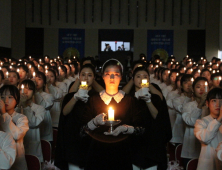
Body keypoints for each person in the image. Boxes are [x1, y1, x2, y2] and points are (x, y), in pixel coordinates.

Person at [82, 59, 144, 170]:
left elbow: (141, 129)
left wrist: (124, 129)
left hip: (122, 153)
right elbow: (82, 132)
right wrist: (94, 122)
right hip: (97, 153)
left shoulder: (129, 100)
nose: (111, 78)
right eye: (108, 74)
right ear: (102, 77)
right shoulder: (93, 100)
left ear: (121, 77)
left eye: (116, 74)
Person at [55, 64, 97, 170]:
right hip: (73, 143)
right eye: (83, 75)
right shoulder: (71, 96)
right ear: (79, 77)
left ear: (94, 78)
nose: (86, 78)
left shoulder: (98, 97)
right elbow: (65, 112)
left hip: (92, 142)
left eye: (89, 75)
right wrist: (76, 97)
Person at [129, 66, 169, 170]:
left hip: (151, 143)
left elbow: (157, 116)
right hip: (133, 143)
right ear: (133, 79)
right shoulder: (129, 98)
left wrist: (148, 101)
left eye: (145, 77)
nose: (142, 79)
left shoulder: (155, 97)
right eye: (138, 76)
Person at [181, 77, 209, 168]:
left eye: (204, 87)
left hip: (207, 149)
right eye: (198, 87)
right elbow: (191, 121)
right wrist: (200, 105)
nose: (201, 89)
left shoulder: (212, 106)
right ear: (193, 89)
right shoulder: (187, 106)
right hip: (191, 149)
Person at [0, 85, 29, 170]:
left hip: (17, 162)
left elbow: (16, 135)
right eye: (2, 97)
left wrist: (4, 114)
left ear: (17, 100)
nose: (5, 100)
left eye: (10, 97)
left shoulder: (21, 118)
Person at [16, 79, 45, 162]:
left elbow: (34, 123)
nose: (25, 91)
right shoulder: (15, 107)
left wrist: (25, 106)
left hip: (32, 147)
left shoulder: (39, 108)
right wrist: (20, 105)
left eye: (29, 89)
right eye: (23, 88)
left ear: (34, 91)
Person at [194, 88, 222, 170]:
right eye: (214, 101)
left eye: (221, 100)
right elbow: (205, 139)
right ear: (207, 103)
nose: (218, 104)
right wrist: (219, 118)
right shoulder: (201, 122)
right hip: (208, 165)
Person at [171, 74, 193, 144]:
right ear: (181, 86)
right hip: (180, 131)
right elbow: (182, 109)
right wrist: (189, 97)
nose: (189, 85)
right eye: (186, 83)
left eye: (191, 82)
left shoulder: (197, 100)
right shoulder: (176, 100)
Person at [35, 71, 54, 142]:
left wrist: (35, 92)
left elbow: (43, 105)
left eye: (39, 79)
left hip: (44, 130)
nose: (36, 81)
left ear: (44, 83)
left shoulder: (48, 96)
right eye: (35, 79)